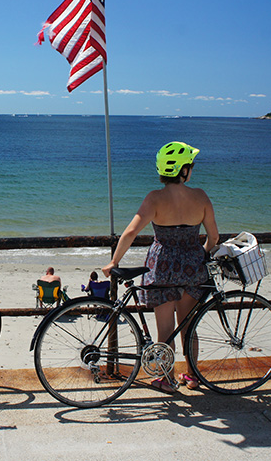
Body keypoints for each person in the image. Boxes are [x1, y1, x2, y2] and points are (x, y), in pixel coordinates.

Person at [102, 141, 219, 393]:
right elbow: (214, 238)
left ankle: (167, 379)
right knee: (188, 325)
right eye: (190, 165)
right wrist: (201, 255)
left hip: (162, 266)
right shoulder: (200, 196)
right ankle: (193, 376)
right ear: (183, 170)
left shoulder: (155, 198)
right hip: (192, 267)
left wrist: (114, 261)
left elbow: (131, 231)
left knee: (165, 329)